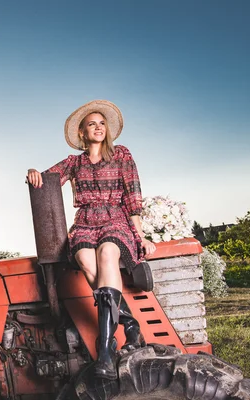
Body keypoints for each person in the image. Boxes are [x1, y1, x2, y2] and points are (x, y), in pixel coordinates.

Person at [27, 100, 156, 381]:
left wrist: (140, 235)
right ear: (83, 134)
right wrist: (35, 173)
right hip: (86, 221)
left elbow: (133, 197)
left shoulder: (121, 155)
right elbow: (49, 179)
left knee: (107, 254)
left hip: (115, 218)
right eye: (91, 124)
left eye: (101, 123)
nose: (98, 127)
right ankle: (129, 321)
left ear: (106, 130)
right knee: (85, 259)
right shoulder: (75, 162)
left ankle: (106, 349)